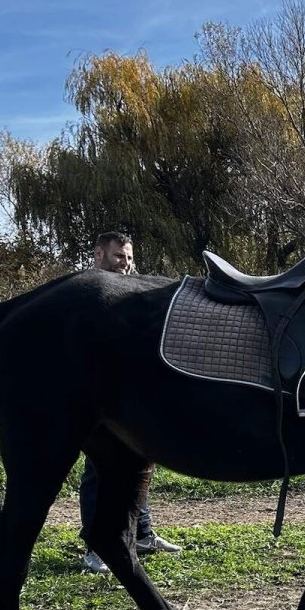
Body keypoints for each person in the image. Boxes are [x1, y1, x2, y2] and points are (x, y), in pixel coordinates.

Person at [81, 231, 183, 574]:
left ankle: (142, 533)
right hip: (97, 399)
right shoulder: (86, 294)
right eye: (117, 257)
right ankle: (96, 547)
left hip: (129, 398)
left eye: (128, 258)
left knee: (140, 463)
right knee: (98, 471)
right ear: (97, 254)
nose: (125, 265)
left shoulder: (128, 292)